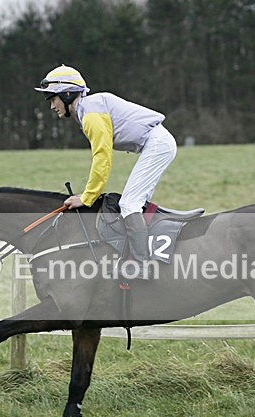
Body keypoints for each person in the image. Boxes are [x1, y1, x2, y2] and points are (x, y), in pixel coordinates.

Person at [34, 64, 177, 279]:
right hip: (157, 143)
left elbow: (102, 157)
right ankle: (138, 256)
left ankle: (142, 266)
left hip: (157, 144)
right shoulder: (87, 110)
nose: (52, 106)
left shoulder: (90, 114)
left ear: (67, 94)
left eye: (52, 98)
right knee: (134, 204)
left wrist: (87, 197)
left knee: (129, 204)